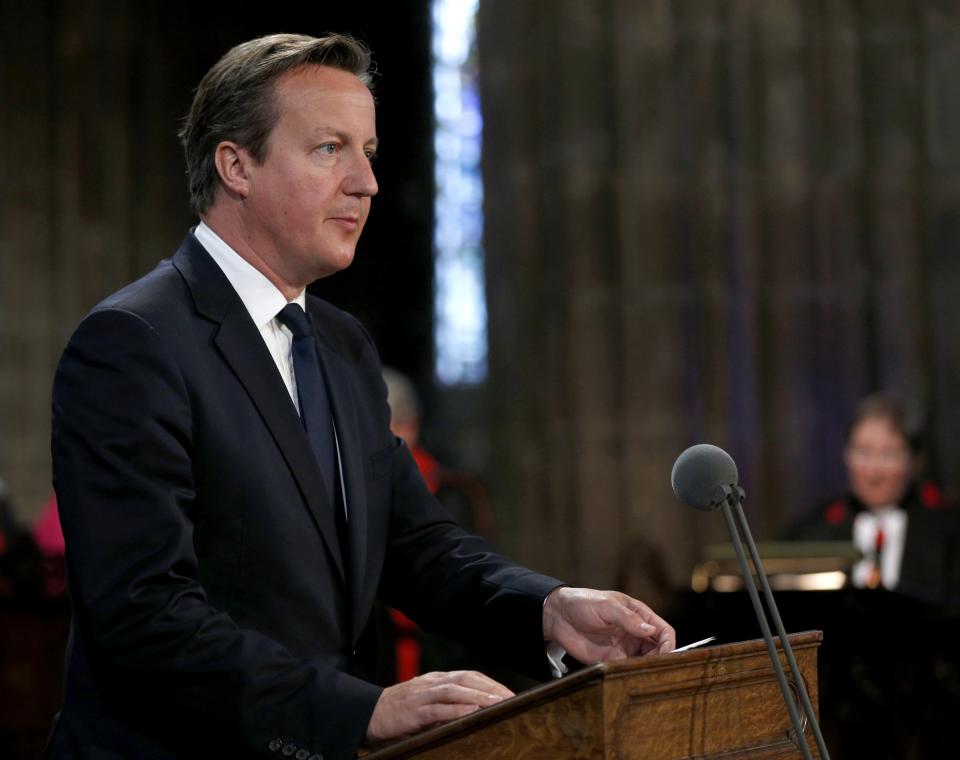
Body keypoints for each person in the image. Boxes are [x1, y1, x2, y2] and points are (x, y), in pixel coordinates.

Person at [47, 33, 674, 760]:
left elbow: (414, 542)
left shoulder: (341, 343)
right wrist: (361, 711)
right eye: (329, 149)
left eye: (368, 151)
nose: (367, 182)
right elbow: (144, 617)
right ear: (236, 165)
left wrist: (548, 608)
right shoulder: (134, 342)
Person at [787, 393, 960, 606]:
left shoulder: (948, 533)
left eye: (889, 454)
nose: (873, 472)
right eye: (863, 452)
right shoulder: (812, 532)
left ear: (915, 462)